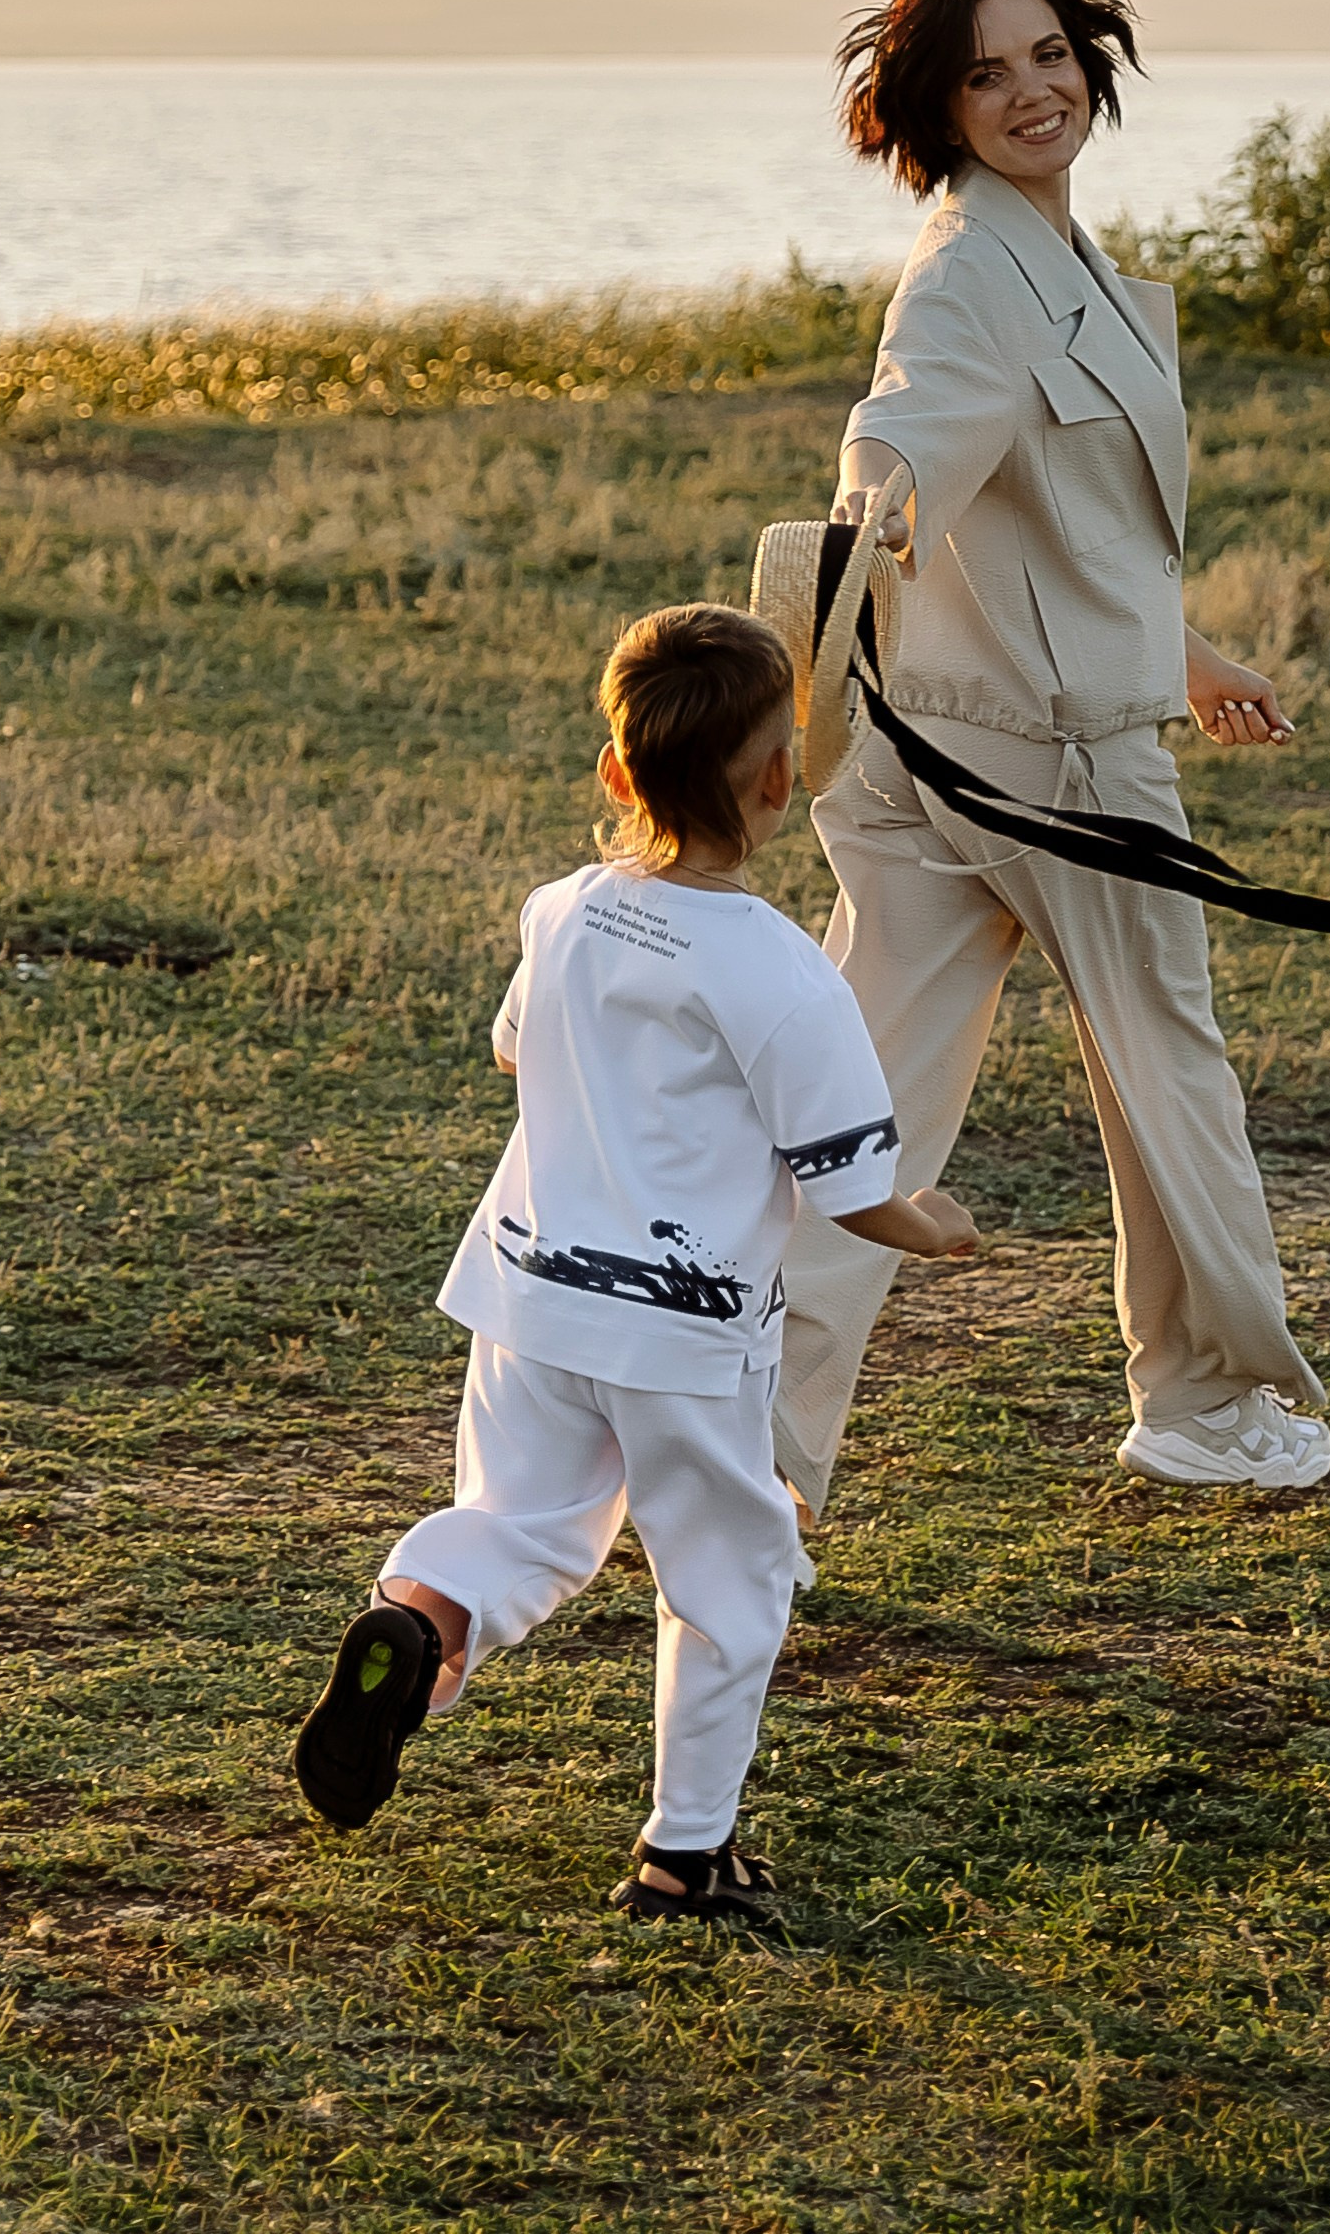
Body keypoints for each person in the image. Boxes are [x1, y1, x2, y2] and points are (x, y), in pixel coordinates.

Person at [291, 602, 977, 1923]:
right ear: (784, 778)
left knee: (518, 1524)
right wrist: (932, 1222)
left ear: (616, 774)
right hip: (685, 1334)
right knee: (730, 1578)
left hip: (531, 1293)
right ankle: (685, 1857)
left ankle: (424, 1622)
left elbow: (511, 1049)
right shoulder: (781, 972)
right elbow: (851, 1183)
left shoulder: (563, 912)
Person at [772, 0, 1330, 1526]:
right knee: (1172, 1082)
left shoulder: (1049, 253)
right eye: (990, 73)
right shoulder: (968, 279)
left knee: (848, 1131)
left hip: (938, 760)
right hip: (1043, 776)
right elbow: (901, 446)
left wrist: (1187, 654)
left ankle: (748, 1463)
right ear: (938, 110)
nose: (1033, 91)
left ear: (1089, 65)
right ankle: (1210, 1403)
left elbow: (1059, 524)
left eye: (1050, 56)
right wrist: (853, 543)